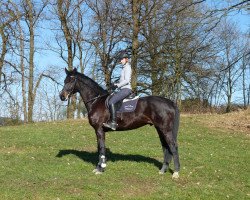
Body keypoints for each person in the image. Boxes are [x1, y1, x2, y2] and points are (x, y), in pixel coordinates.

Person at [103, 51, 132, 130]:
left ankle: (113, 123)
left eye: (121, 59)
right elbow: (121, 81)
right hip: (123, 89)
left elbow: (126, 81)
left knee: (111, 102)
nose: (120, 61)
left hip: (126, 89)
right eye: (120, 59)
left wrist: (117, 85)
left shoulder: (127, 67)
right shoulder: (123, 68)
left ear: (126, 59)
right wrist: (114, 85)